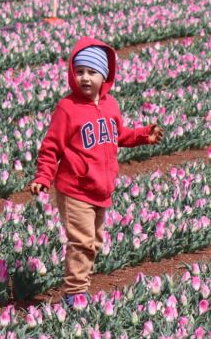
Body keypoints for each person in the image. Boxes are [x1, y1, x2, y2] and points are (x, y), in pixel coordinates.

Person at [29, 37, 163, 307]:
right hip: (75, 188)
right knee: (82, 242)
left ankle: (78, 288)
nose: (85, 78)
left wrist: (142, 136)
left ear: (105, 76)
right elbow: (50, 147)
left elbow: (119, 135)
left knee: (94, 242)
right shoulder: (67, 109)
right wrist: (43, 177)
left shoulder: (111, 105)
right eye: (79, 72)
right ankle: (74, 294)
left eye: (92, 72)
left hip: (102, 188)